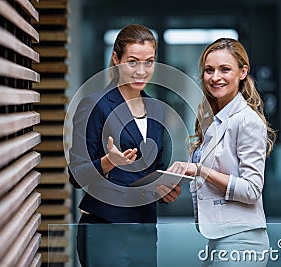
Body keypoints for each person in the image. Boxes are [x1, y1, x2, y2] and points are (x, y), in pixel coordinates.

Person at [68, 24, 181, 267]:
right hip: (104, 228)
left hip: (144, 229)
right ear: (116, 59)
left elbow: (153, 171)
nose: (142, 71)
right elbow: (76, 175)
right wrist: (109, 162)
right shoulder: (94, 105)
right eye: (132, 62)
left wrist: (164, 190)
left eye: (149, 62)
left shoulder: (157, 109)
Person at [167, 38, 276, 266]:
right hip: (220, 239)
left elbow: (252, 189)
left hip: (243, 242)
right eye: (209, 70)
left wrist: (200, 170)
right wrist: (172, 182)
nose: (215, 77)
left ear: (243, 72)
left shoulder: (247, 121)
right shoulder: (214, 119)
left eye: (225, 69)